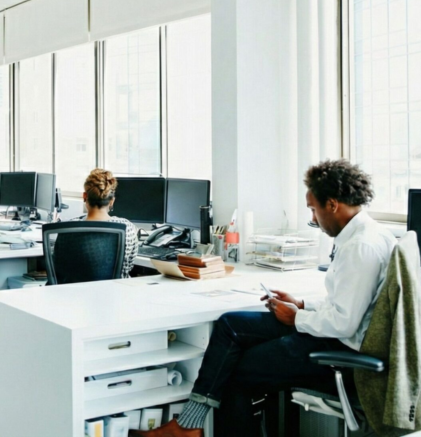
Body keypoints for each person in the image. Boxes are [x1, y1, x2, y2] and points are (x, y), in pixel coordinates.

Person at [132, 160, 396, 437]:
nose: (314, 219)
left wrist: (296, 317)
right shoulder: (365, 235)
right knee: (229, 325)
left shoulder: (361, 247)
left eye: (313, 209)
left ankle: (187, 428)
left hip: (341, 347)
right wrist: (303, 305)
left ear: (332, 204)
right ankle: (188, 427)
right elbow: (347, 303)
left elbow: (344, 323)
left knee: (233, 372)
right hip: (330, 332)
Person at [76, 169, 139, 278]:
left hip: (74, 294)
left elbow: (60, 266)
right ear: (112, 201)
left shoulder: (68, 227)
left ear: (85, 196)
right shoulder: (127, 228)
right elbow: (128, 266)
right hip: (117, 292)